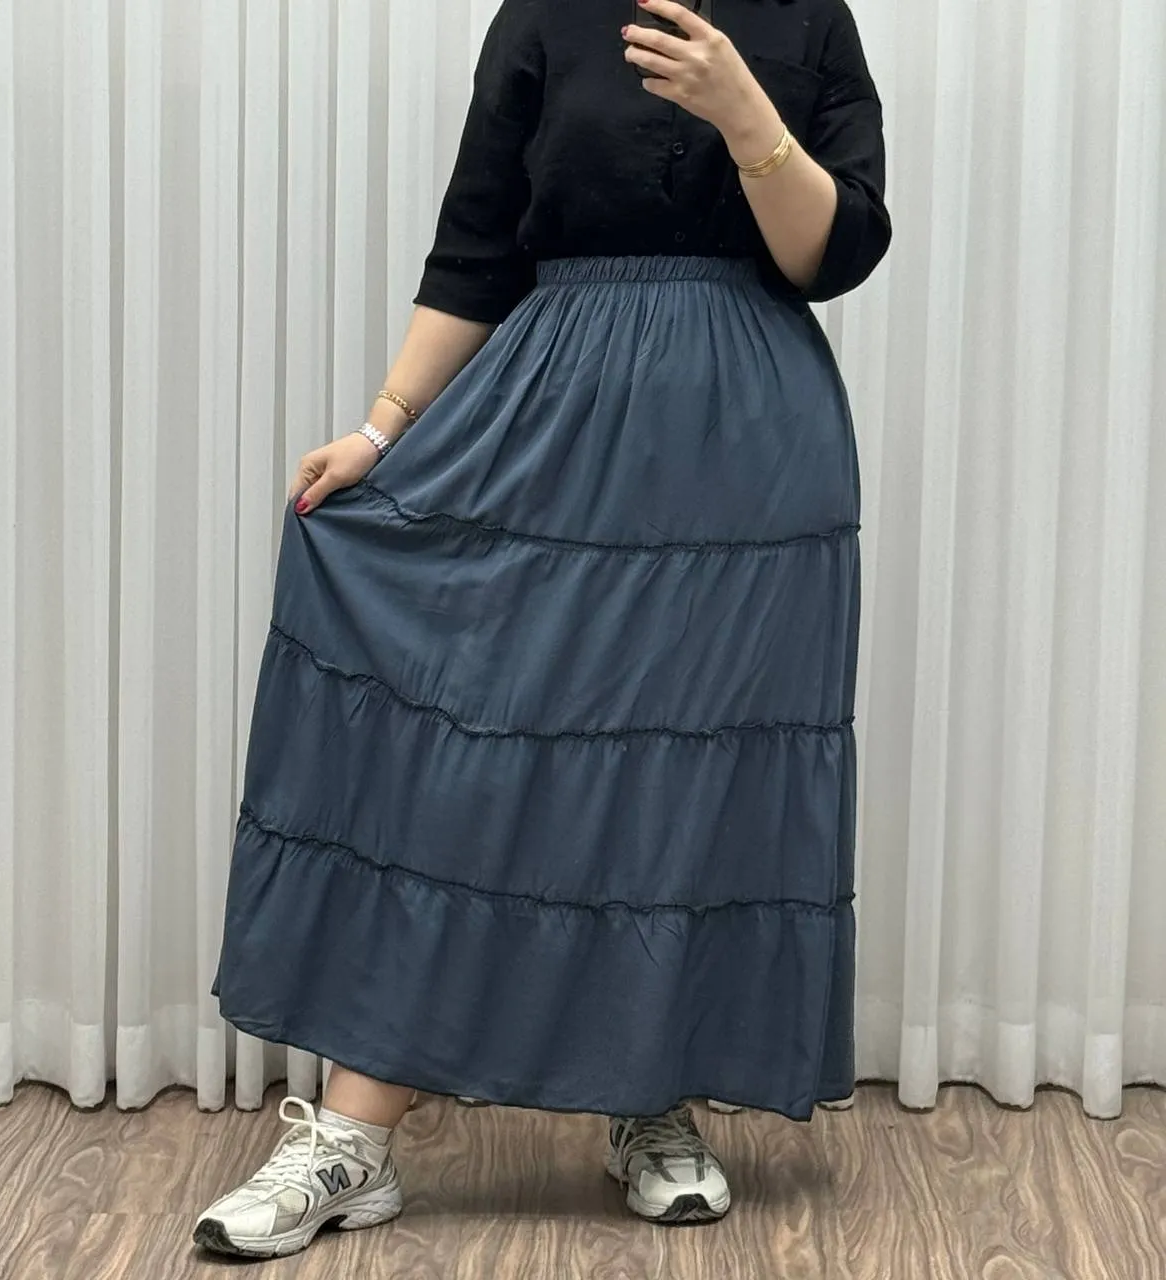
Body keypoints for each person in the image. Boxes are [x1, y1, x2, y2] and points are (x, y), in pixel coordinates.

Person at [194, 0, 890, 1259]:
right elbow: (475, 248)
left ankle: (648, 1095)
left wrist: (743, 111)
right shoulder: (544, 16)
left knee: (682, 771)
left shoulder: (804, 18)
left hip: (744, 448)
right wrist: (383, 428)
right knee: (477, 758)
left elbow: (830, 254)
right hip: (553, 413)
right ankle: (354, 1134)